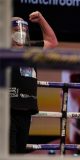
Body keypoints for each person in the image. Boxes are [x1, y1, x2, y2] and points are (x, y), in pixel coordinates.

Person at [10, 11, 58, 154]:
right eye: (16, 29)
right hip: (7, 110)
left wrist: (41, 19)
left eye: (24, 29)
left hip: (26, 111)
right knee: (8, 152)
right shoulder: (3, 51)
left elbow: (52, 42)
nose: (20, 32)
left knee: (19, 152)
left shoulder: (31, 49)